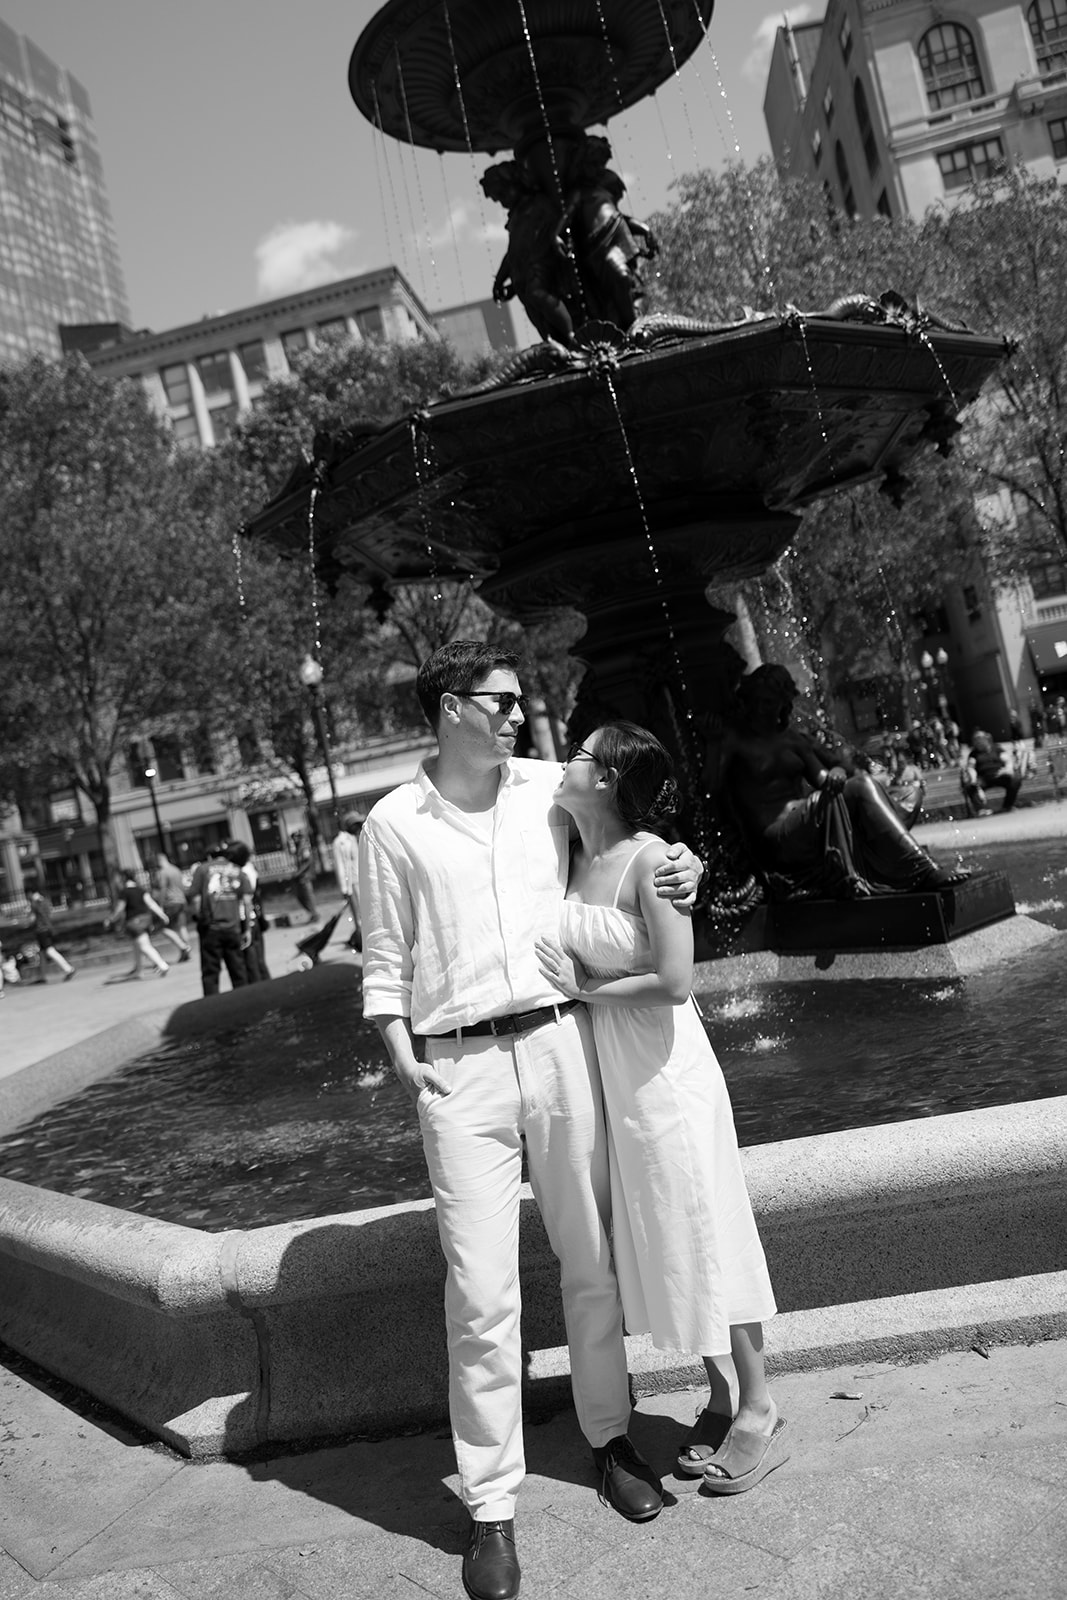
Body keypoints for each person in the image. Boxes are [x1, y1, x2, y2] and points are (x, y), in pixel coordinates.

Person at [359, 640, 701, 1600]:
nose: (518, 715)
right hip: (455, 1067)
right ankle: (491, 1508)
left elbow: (638, 817)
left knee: (589, 1261)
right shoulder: (391, 824)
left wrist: (686, 866)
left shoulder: (548, 786)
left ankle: (607, 1441)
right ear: (448, 708)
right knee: (479, 1293)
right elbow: (382, 960)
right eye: (500, 701)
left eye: (518, 701)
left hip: (559, 1044)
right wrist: (401, 1058)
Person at [536, 722, 784, 1495]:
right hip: (616, 1072)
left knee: (705, 1223)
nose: (563, 757)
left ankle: (760, 1407)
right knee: (666, 1228)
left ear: (606, 779)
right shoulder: (570, 848)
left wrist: (585, 990)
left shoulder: (651, 860)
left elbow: (677, 979)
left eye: (579, 752)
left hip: (666, 1070)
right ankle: (718, 1391)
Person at [709, 664, 965, 899]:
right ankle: (919, 865)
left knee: (885, 789)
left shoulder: (793, 739)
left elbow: (824, 778)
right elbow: (711, 788)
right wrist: (711, 745)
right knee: (863, 787)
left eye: (771, 702)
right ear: (749, 699)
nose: (763, 708)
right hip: (776, 838)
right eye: (759, 701)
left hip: (808, 822)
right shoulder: (733, 739)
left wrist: (838, 774)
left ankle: (902, 849)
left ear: (783, 704)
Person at [188, 844, 252, 995]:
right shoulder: (238, 871)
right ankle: (244, 1002)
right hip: (233, 927)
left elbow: (196, 899)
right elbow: (247, 902)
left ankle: (212, 1006)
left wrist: (200, 918)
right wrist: (247, 928)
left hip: (211, 928)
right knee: (238, 971)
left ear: (209, 856)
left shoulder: (202, 869)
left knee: (210, 973)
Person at [108, 869, 170, 978]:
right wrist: (162, 915)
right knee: (137, 945)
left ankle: (162, 964)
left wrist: (111, 919)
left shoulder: (124, 892)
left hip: (135, 922)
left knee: (144, 946)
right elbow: (151, 904)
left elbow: (120, 908)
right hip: (146, 920)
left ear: (123, 878)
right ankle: (138, 970)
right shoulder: (141, 890)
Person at [226, 841, 270, 983]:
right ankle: (264, 983)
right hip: (251, 917)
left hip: (247, 917)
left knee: (252, 961)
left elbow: (246, 899)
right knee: (256, 959)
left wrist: (247, 928)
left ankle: (258, 987)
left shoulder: (243, 873)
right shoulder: (246, 870)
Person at [24, 880, 76, 983]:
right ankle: (42, 976)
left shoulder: (34, 904)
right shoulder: (44, 900)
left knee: (49, 951)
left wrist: (28, 916)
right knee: (42, 954)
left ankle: (68, 969)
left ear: (29, 893)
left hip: (41, 930)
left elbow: (32, 919)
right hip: (48, 928)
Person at [332, 811, 365, 951]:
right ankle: (362, 941)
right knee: (358, 915)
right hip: (352, 883)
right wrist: (344, 888)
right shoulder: (340, 842)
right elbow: (339, 866)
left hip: (362, 880)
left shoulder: (356, 839)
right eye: (355, 824)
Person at [969, 729, 1023, 813]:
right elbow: (971, 767)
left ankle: (1007, 806)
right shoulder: (973, 754)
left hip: (999, 774)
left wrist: (1008, 769)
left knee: (1015, 779)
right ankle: (981, 810)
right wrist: (974, 781)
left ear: (986, 738)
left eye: (979, 738)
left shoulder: (996, 748)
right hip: (984, 779)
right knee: (969, 785)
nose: (977, 741)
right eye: (975, 740)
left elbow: (1007, 760)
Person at [153, 852, 193, 963]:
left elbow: (162, 889)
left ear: (159, 860)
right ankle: (187, 950)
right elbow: (182, 886)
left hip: (170, 902)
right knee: (182, 927)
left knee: (163, 928)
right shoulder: (176, 869)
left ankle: (183, 946)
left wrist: (160, 905)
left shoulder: (163, 872)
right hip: (181, 900)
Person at [289, 830, 318, 923]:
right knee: (300, 896)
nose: (294, 840)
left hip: (305, 877)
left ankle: (314, 914)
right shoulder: (298, 848)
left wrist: (298, 872)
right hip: (301, 878)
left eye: (296, 837)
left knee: (308, 896)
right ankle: (312, 913)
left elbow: (308, 862)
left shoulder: (304, 848)